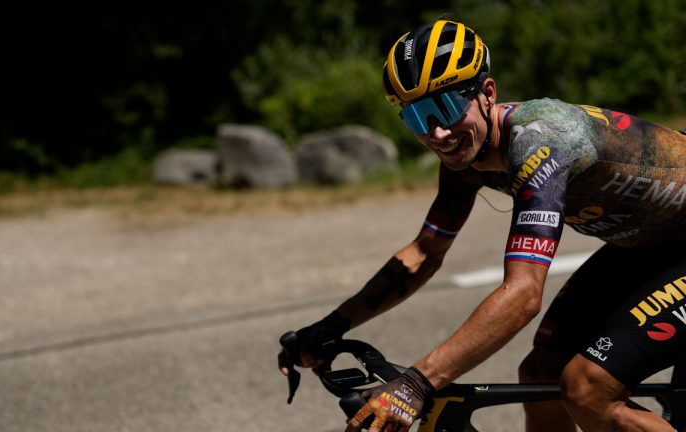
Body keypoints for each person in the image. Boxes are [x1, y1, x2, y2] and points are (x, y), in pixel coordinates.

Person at [278, 18, 686, 432]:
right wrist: (331, 326)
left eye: (447, 108)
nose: (438, 132)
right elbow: (424, 252)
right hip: (649, 246)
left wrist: (416, 384)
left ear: (488, 93)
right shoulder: (464, 160)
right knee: (541, 374)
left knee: (587, 388)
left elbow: (523, 293)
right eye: (417, 117)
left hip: (669, 246)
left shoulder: (542, 140)